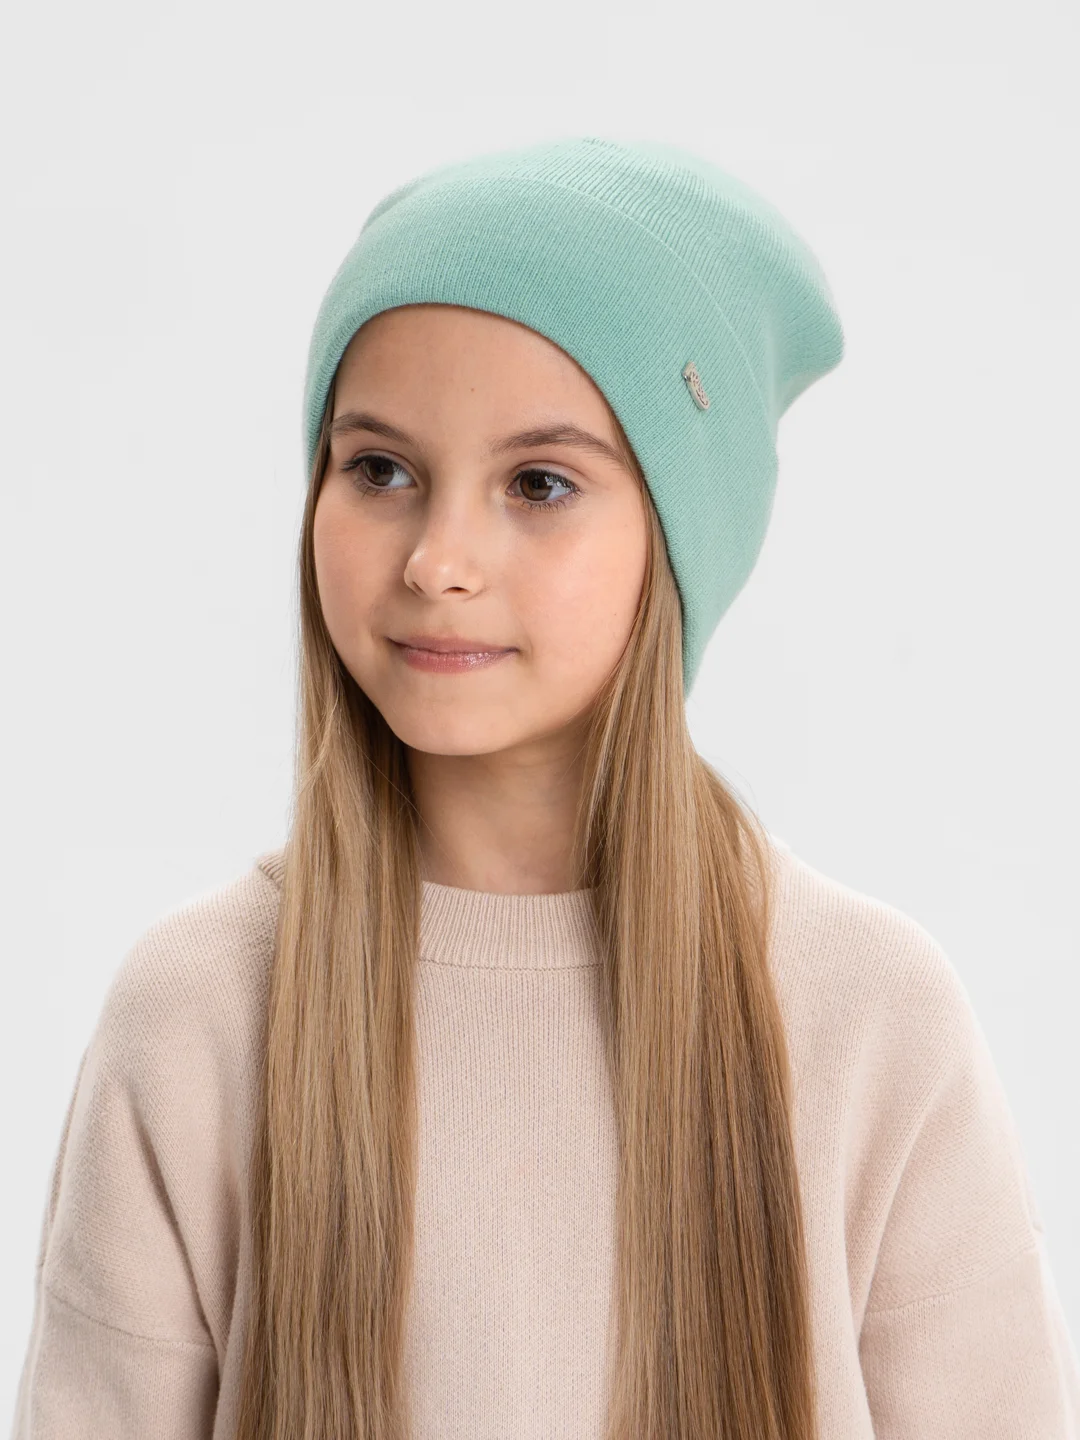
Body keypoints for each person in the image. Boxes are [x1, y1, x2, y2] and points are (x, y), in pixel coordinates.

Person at [10, 136, 1079, 1440]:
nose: (439, 560)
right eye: (380, 469)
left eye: (540, 484)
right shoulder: (196, 1017)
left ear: (677, 540)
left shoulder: (866, 1016)